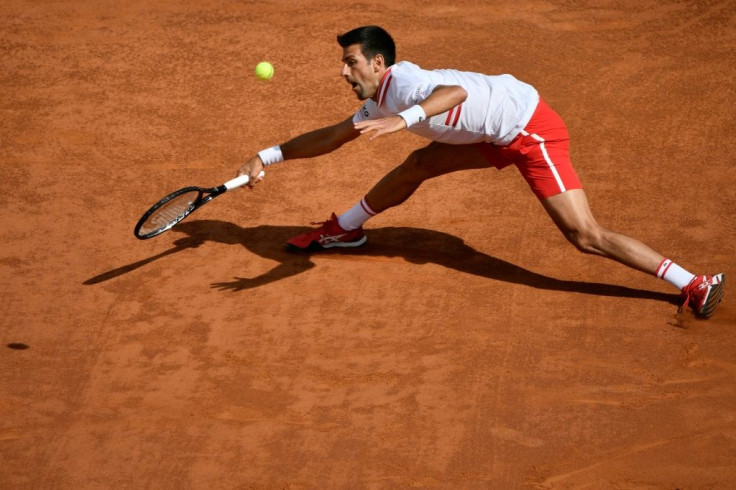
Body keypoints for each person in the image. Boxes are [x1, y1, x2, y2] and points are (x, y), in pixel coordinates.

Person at [236, 25, 724, 318]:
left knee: (584, 235)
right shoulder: (377, 99)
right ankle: (344, 230)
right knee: (419, 164)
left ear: (378, 63)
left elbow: (455, 96)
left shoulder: (406, 83)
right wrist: (266, 156)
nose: (344, 73)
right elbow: (329, 137)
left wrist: (402, 120)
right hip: (491, 131)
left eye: (351, 63)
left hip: (529, 128)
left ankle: (693, 282)